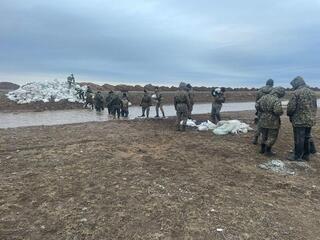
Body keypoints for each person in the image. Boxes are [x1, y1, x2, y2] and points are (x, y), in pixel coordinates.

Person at [287, 76, 317, 161]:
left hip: (299, 120)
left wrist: (290, 115)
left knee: (299, 138)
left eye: (293, 85)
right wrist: (312, 116)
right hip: (310, 119)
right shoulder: (312, 92)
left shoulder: (296, 93)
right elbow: (314, 106)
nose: (293, 87)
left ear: (297, 83)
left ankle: (297, 156)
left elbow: (291, 108)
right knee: (307, 137)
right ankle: (306, 155)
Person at [255, 87, 285, 156]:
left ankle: (262, 149)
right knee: (272, 136)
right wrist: (281, 112)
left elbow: (257, 105)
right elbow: (278, 111)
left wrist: (263, 111)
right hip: (273, 121)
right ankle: (267, 151)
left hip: (262, 119)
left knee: (264, 135)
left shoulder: (263, 97)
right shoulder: (276, 99)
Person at [252, 79, 274, 145]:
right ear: (272, 84)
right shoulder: (273, 90)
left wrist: (257, 110)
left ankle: (255, 138)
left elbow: (256, 102)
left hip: (260, 111)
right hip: (270, 112)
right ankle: (265, 140)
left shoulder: (260, 90)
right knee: (268, 126)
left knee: (259, 125)